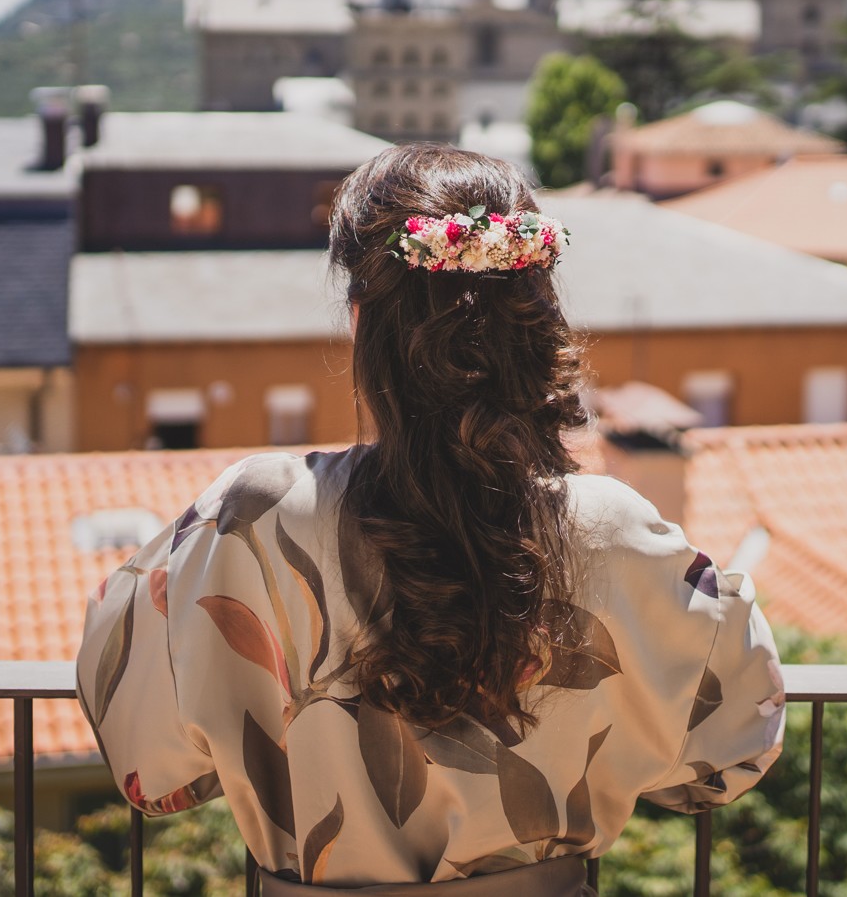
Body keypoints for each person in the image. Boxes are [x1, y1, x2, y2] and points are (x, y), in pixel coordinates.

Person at [76, 144, 784, 894]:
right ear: (537, 318)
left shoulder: (253, 517)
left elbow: (147, 765)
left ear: (361, 323)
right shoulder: (615, 531)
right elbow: (733, 747)